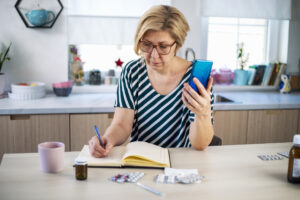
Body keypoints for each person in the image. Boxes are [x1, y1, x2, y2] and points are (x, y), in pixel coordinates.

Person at [89, 5, 214, 158]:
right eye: (147, 45)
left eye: (163, 46)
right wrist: (108, 139)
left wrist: (203, 114)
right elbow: (121, 125)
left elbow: (200, 144)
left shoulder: (195, 79)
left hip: (182, 165)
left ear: (177, 45)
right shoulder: (132, 72)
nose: (154, 55)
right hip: (141, 161)